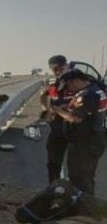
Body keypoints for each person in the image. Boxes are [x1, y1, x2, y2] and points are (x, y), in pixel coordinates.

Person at [49, 69, 107, 195]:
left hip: (85, 144)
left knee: (80, 180)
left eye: (69, 85)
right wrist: (67, 108)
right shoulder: (94, 89)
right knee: (85, 178)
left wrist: (57, 110)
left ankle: (85, 210)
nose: (68, 90)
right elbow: (85, 111)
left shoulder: (88, 94)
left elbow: (75, 118)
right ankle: (86, 208)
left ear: (77, 80)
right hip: (90, 141)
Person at [39, 55, 72, 183]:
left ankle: (77, 195)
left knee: (76, 165)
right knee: (53, 162)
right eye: (55, 70)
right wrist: (44, 109)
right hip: (57, 127)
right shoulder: (52, 83)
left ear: (67, 66)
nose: (58, 72)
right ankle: (54, 188)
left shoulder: (76, 81)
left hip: (76, 128)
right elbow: (42, 94)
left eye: (60, 69)